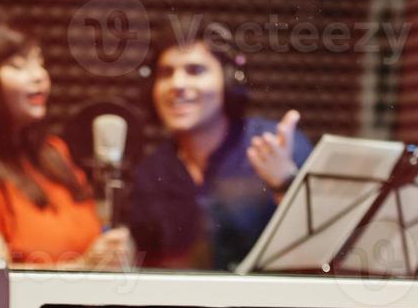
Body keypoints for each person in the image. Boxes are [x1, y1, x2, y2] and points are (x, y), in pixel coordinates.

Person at [0, 16, 133, 269]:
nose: (39, 75)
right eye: (19, 66)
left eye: (40, 64)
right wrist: (84, 266)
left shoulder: (53, 153)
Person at [126, 19, 312, 270]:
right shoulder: (152, 172)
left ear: (229, 81)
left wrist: (285, 185)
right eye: (166, 73)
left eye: (195, 71)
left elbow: (320, 251)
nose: (177, 85)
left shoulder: (279, 147)